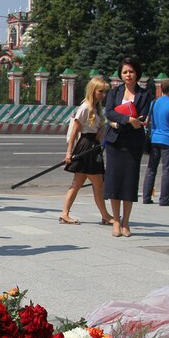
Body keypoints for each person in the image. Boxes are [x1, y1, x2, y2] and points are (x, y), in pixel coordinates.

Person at [104, 57, 152, 237]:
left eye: (131, 71)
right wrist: (127, 120)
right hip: (115, 143)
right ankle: (116, 220)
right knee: (114, 181)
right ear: (120, 74)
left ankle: (126, 222)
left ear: (137, 73)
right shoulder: (114, 92)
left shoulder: (145, 94)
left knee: (129, 182)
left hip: (133, 143)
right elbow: (109, 112)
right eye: (125, 72)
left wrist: (125, 121)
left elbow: (143, 116)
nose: (128, 75)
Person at [59, 76, 113, 226]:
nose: (103, 94)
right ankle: (106, 216)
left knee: (77, 183)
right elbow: (74, 131)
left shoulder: (96, 108)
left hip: (93, 146)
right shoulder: (85, 107)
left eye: (104, 92)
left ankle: (65, 214)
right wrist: (69, 153)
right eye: (100, 91)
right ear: (93, 90)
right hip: (86, 146)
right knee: (98, 184)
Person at [142, 80, 169, 206]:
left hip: (154, 139)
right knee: (167, 170)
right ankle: (164, 199)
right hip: (168, 140)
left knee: (151, 169)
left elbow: (147, 121)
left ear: (161, 89)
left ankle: (146, 197)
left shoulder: (154, 103)